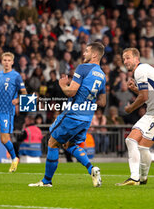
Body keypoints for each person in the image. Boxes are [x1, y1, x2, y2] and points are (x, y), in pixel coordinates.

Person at [29, 42, 106, 188]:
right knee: (71, 144)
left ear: (94, 54)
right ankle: (92, 169)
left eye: (87, 51)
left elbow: (71, 92)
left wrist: (63, 85)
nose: (84, 54)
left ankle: (46, 181)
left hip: (73, 114)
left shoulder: (83, 68)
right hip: (87, 117)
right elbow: (102, 102)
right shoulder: (102, 75)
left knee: (52, 142)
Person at [116, 48, 154, 186]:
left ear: (137, 58)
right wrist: (135, 90)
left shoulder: (140, 70)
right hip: (153, 112)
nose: (125, 61)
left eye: (128, 58)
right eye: (124, 58)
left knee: (142, 147)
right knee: (131, 140)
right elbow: (149, 94)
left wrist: (130, 108)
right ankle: (134, 178)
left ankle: (141, 177)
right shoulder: (143, 70)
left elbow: (144, 97)